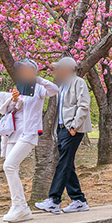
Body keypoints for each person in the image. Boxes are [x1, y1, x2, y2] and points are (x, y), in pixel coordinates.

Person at [0, 58, 58, 223]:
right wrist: (14, 100)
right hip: (14, 133)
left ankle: (20, 207)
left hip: (29, 134)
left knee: (9, 165)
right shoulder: (19, 88)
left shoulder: (39, 88)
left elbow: (55, 89)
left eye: (27, 69)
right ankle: (19, 206)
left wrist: (37, 79)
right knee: (10, 169)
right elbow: (13, 111)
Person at [34, 56, 92, 214]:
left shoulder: (78, 82)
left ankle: (54, 200)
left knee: (63, 163)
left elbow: (84, 105)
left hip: (72, 129)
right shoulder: (63, 86)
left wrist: (74, 126)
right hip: (62, 129)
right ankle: (78, 199)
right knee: (67, 164)